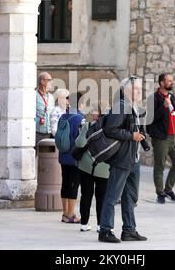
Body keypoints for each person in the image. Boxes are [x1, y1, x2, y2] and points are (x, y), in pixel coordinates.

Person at [98, 76, 147, 243]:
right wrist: (131, 135)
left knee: (130, 197)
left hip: (134, 159)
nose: (140, 91)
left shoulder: (133, 107)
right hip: (122, 159)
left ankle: (129, 230)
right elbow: (110, 129)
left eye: (140, 88)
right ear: (126, 90)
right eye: (136, 88)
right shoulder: (120, 106)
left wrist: (139, 134)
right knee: (113, 196)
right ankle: (105, 230)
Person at [147, 73, 175, 204]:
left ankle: (168, 189)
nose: (171, 83)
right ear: (162, 83)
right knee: (160, 165)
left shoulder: (171, 97)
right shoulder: (154, 98)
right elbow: (150, 119)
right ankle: (160, 192)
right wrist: (163, 107)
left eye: (172, 81)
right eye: (169, 81)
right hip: (162, 137)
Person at [75, 104, 109, 232]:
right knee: (102, 197)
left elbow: (79, 143)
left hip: (86, 166)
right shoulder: (111, 129)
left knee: (86, 195)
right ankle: (100, 225)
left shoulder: (88, 126)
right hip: (104, 167)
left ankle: (84, 223)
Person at [58, 92, 85, 224]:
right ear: (79, 103)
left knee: (65, 183)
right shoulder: (80, 118)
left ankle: (64, 213)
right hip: (75, 157)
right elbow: (81, 139)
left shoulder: (63, 116)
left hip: (63, 155)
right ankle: (71, 214)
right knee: (74, 185)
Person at [36, 72, 55, 145]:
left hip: (49, 132)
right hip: (37, 132)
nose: (51, 82)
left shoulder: (51, 97)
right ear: (42, 81)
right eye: (49, 80)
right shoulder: (34, 95)